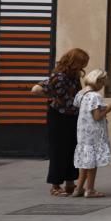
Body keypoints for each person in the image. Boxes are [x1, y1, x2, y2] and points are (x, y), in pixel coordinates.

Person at [32, 48, 88, 197]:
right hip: (58, 117)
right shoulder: (59, 76)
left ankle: (70, 182)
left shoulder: (74, 76)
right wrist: (53, 97)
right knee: (59, 150)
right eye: (81, 63)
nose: (83, 66)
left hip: (73, 116)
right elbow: (36, 89)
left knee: (72, 148)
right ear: (73, 61)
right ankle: (55, 185)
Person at [73, 69, 111, 198]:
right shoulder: (95, 96)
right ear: (98, 81)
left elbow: (82, 108)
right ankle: (90, 189)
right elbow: (97, 116)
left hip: (82, 132)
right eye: (102, 83)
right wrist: (109, 108)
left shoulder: (82, 93)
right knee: (92, 163)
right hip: (93, 133)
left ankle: (79, 188)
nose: (102, 86)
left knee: (85, 162)